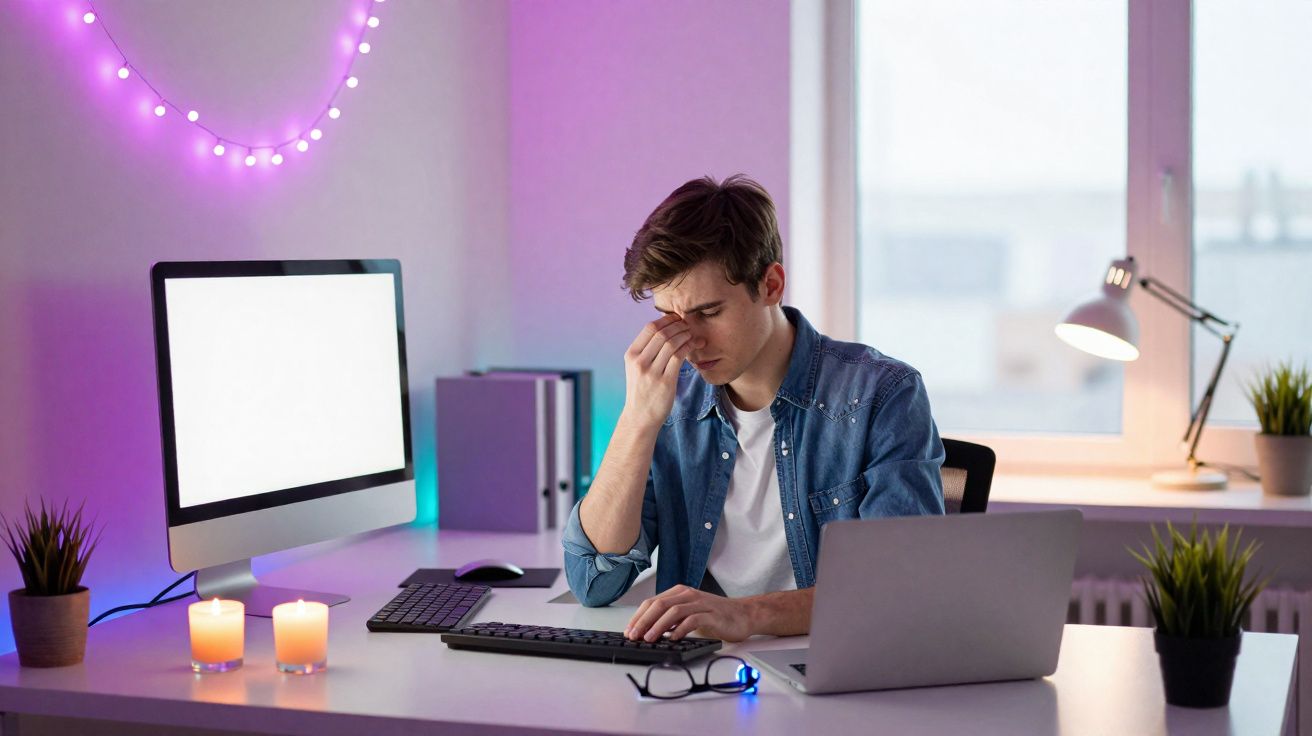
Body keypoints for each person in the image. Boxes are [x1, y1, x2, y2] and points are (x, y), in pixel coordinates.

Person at [562, 174, 944, 643]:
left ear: (771, 284)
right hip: (698, 675)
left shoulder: (882, 394)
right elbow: (593, 582)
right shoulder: (670, 401)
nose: (690, 341)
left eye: (708, 312)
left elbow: (896, 587)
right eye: (670, 317)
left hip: (831, 669)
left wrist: (744, 615)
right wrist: (637, 421)